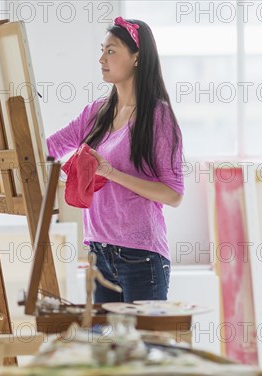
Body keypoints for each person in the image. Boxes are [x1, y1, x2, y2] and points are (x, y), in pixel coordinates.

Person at [46, 16, 185, 303]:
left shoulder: (157, 117)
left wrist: (111, 172)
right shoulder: (97, 112)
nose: (101, 59)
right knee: (103, 348)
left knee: (140, 348)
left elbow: (173, 194)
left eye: (111, 51)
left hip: (141, 257)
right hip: (100, 254)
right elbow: (51, 147)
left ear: (137, 58)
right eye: (102, 50)